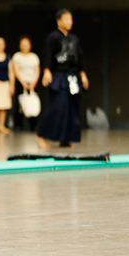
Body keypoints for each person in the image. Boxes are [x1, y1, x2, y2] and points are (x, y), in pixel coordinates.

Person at [37, 9, 89, 150]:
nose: (69, 22)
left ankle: (65, 138)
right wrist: (46, 71)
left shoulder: (74, 39)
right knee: (56, 108)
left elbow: (80, 57)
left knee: (71, 110)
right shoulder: (53, 37)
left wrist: (82, 73)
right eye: (66, 19)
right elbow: (47, 54)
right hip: (58, 76)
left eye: (71, 19)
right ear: (59, 21)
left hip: (72, 77)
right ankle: (41, 135)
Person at [10, 36, 41, 132]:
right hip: (20, 83)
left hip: (32, 83)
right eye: (22, 45)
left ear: (30, 46)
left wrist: (33, 82)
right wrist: (23, 82)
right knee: (20, 105)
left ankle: (33, 126)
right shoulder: (17, 56)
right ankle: (18, 125)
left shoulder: (34, 57)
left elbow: (37, 70)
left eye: (26, 45)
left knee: (33, 104)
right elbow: (16, 70)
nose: (24, 47)